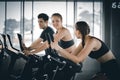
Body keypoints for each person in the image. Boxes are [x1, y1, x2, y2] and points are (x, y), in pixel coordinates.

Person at [51, 21, 120, 80]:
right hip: (104, 67)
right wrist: (58, 52)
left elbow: (78, 59)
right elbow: (72, 55)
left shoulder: (92, 41)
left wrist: (59, 48)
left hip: (112, 69)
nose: (74, 33)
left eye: (74, 30)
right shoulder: (84, 42)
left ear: (78, 31)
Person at [21, 13, 55, 80]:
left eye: (41, 22)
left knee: (31, 62)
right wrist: (28, 49)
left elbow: (43, 44)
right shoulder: (46, 30)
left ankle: (24, 78)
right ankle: (24, 77)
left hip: (51, 59)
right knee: (31, 61)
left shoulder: (48, 31)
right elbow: (39, 44)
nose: (39, 23)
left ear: (46, 22)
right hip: (47, 57)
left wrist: (31, 51)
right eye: (38, 22)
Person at [44, 13, 76, 80]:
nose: (55, 23)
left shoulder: (64, 31)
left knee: (48, 67)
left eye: (57, 21)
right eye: (53, 21)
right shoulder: (57, 32)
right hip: (64, 60)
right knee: (47, 66)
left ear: (61, 21)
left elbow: (52, 44)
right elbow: (48, 44)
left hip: (72, 61)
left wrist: (31, 50)